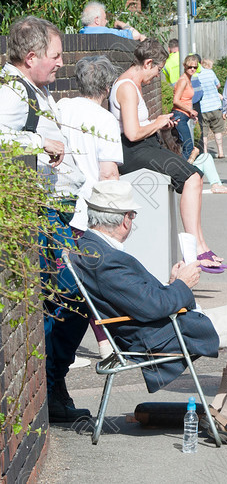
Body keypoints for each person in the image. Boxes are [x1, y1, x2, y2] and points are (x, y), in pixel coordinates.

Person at [74, 180, 227, 446]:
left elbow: (139, 299)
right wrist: (182, 284)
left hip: (159, 326)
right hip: (160, 335)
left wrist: (171, 284)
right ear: (125, 220)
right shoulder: (107, 260)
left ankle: (221, 407)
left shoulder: (94, 247)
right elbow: (151, 307)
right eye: (133, 215)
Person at [0, 16, 90, 423]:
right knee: (70, 295)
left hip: (57, 208)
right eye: (54, 57)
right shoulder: (13, 92)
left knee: (69, 296)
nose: (61, 64)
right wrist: (39, 142)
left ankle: (55, 383)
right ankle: (53, 385)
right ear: (32, 56)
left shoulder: (32, 88)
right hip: (42, 213)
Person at [108, 39, 227, 273]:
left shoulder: (131, 83)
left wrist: (158, 124)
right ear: (148, 63)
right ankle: (196, 252)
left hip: (144, 145)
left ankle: (201, 244)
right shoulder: (127, 87)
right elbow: (132, 133)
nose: (156, 76)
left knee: (196, 176)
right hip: (135, 150)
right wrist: (158, 122)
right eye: (158, 70)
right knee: (192, 178)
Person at [55, 55, 123, 359]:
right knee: (91, 286)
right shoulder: (106, 119)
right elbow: (108, 174)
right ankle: (104, 345)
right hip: (88, 212)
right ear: (106, 87)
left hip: (58, 207)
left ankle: (103, 344)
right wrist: (119, 213)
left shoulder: (61, 107)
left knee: (64, 285)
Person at [171, 54, 200, 159]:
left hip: (183, 116)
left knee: (185, 147)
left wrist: (191, 114)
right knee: (189, 147)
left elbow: (185, 100)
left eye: (195, 67)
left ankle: (184, 169)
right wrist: (190, 110)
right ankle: (183, 171)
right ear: (184, 66)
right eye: (190, 67)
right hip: (179, 116)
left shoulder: (188, 79)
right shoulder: (183, 80)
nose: (192, 69)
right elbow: (176, 101)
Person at [197, 58, 225, 158]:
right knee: (218, 130)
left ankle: (205, 153)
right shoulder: (210, 73)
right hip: (215, 105)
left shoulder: (195, 76)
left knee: (204, 133)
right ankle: (220, 152)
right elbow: (218, 85)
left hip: (203, 107)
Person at [79, 1, 145, 41]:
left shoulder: (81, 32)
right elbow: (136, 35)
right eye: (104, 18)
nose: (106, 21)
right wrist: (119, 23)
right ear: (97, 20)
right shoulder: (106, 32)